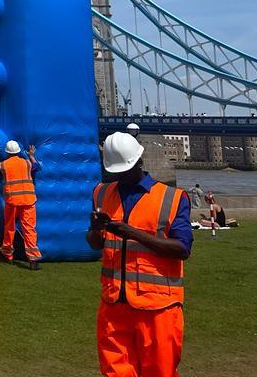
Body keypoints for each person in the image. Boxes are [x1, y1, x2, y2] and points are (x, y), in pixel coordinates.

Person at [87, 132, 192, 376]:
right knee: (115, 372)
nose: (119, 177)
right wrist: (94, 229)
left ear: (138, 162)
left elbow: (182, 249)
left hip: (158, 308)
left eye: (123, 171)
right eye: (114, 173)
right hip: (114, 305)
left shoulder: (173, 198)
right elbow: (95, 244)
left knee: (160, 371)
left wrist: (132, 233)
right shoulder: (101, 194)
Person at [0, 140, 42, 270]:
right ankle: (33, 260)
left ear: (7, 152)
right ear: (18, 151)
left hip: (12, 201)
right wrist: (31, 155)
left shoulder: (3, 165)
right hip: (29, 201)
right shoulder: (27, 163)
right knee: (29, 229)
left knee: (10, 228)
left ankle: (8, 255)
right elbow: (37, 168)